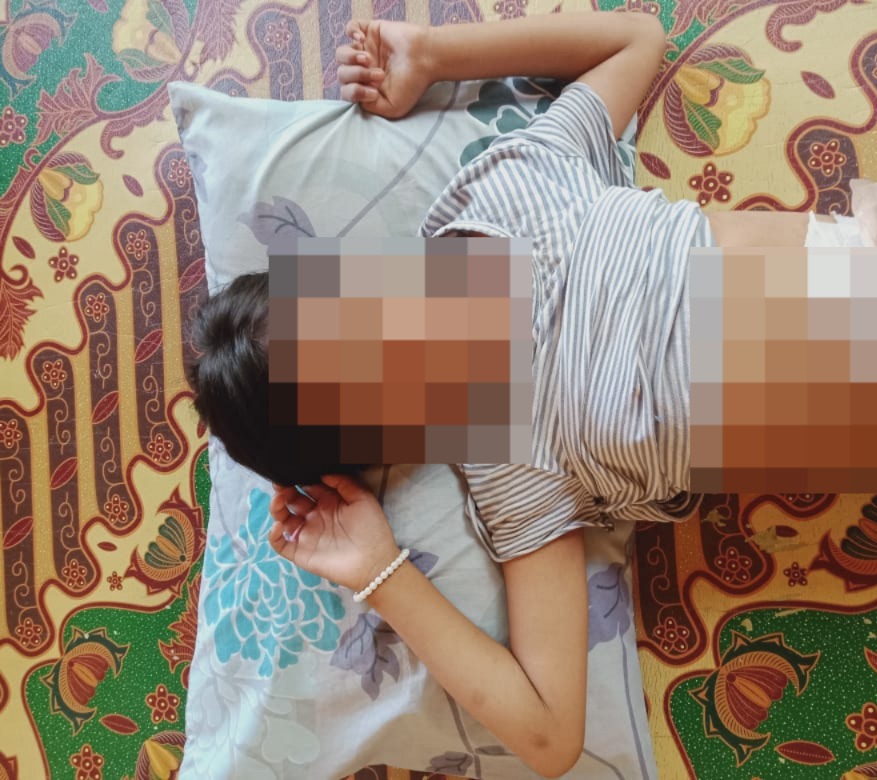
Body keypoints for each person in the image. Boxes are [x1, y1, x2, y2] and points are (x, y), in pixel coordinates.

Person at [187, 12, 810, 777]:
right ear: (384, 444)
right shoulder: (513, 468)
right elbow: (550, 737)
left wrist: (432, 56)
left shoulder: (507, 192)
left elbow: (637, 41)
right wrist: (382, 571)